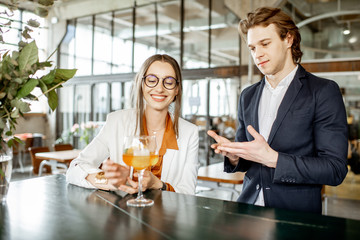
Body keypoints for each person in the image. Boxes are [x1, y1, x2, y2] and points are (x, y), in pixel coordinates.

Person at [207, 7, 348, 213]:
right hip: (247, 210)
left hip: (294, 215)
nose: (258, 54)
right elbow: (248, 157)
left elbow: (334, 169)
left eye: (265, 43)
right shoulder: (248, 95)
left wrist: (273, 159)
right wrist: (235, 155)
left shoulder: (323, 91)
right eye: (252, 48)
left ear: (288, 39)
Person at [66, 54, 199, 195]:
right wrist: (109, 181)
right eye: (152, 80)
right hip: (123, 213)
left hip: (167, 215)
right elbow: (75, 168)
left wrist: (157, 184)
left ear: (177, 89)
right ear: (141, 84)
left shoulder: (190, 133)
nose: (160, 88)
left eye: (169, 82)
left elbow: (188, 192)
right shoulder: (116, 121)